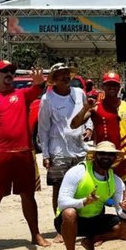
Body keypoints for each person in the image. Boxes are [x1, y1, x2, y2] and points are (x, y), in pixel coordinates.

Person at [0, 61, 50, 250]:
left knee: (28, 195)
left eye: (12, 71)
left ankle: (35, 234)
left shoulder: (22, 95)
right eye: (4, 71)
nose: (9, 74)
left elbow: (37, 90)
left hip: (23, 153)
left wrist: (40, 83)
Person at [55, 141, 126, 250]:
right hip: (70, 221)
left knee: (125, 226)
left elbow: (122, 213)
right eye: (102, 153)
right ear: (95, 156)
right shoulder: (77, 172)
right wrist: (83, 202)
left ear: (114, 158)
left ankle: (90, 241)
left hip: (94, 220)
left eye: (110, 155)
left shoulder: (116, 181)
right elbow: (62, 202)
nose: (106, 157)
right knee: (69, 213)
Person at [39, 63, 91, 239]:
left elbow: (87, 112)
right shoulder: (47, 99)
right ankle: (61, 227)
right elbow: (43, 128)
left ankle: (80, 225)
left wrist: (89, 128)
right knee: (59, 189)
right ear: (54, 79)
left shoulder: (79, 93)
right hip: (58, 150)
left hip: (80, 148)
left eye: (67, 73)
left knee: (81, 186)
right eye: (60, 74)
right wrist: (46, 154)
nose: (65, 77)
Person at [71, 72, 126, 184]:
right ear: (103, 87)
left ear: (119, 87)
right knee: (102, 189)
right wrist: (86, 107)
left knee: (123, 191)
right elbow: (74, 125)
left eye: (115, 85)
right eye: (108, 85)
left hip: (124, 157)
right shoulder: (95, 107)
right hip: (104, 157)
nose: (112, 88)